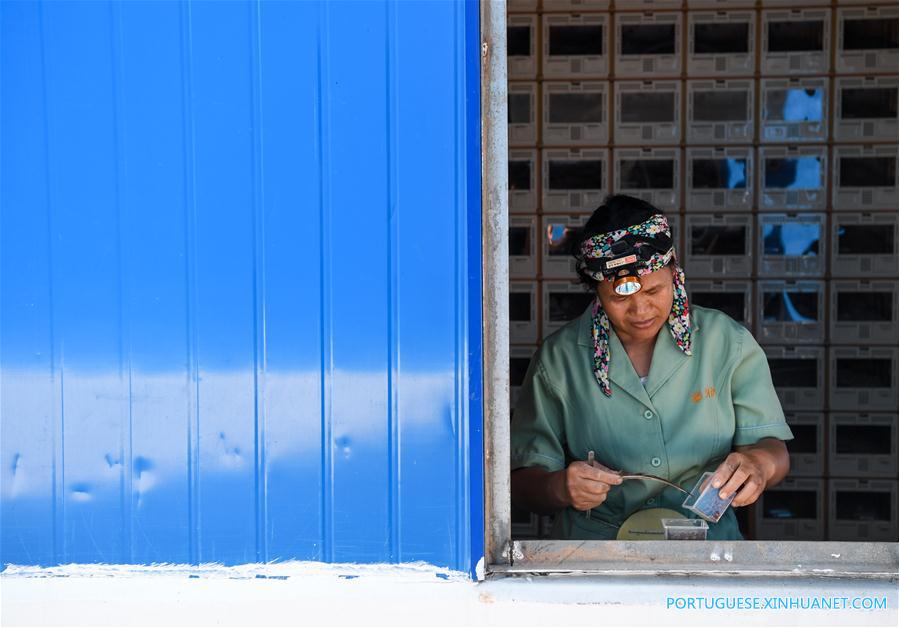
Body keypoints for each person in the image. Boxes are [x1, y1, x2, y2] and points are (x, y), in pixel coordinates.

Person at [510, 195, 793, 540]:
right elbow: (523, 484)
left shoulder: (725, 342)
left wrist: (760, 466)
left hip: (704, 550)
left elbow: (773, 448)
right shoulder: (558, 360)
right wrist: (560, 487)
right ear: (595, 290)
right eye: (620, 298)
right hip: (597, 556)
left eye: (655, 290)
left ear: (675, 273)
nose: (641, 310)